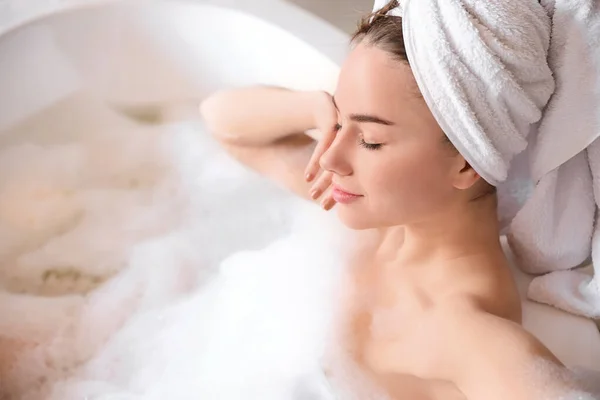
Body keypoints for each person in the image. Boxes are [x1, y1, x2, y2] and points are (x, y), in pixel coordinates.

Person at [200, 1, 595, 399]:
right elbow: (220, 120)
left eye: (370, 141)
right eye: (339, 125)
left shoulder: (466, 334)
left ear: (464, 164)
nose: (330, 158)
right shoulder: (380, 212)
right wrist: (316, 108)